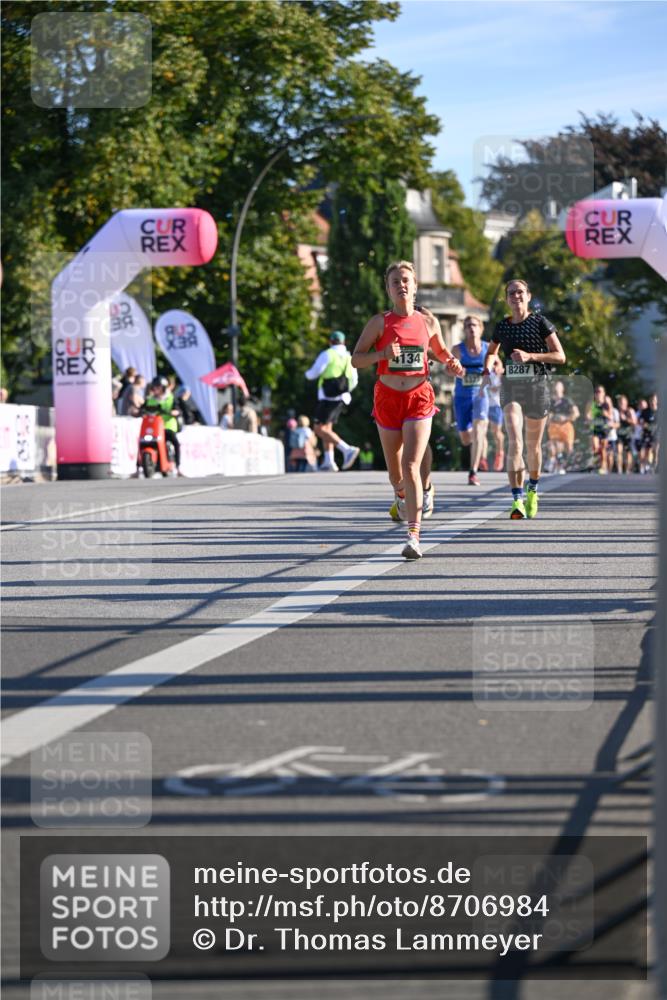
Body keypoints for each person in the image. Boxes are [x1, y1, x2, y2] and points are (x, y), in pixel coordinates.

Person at [351, 260, 464, 559]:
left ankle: (413, 534)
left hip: (418, 396)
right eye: (395, 282)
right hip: (387, 398)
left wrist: (452, 363)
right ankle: (402, 496)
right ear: (388, 290)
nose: (401, 285)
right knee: (395, 474)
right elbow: (356, 359)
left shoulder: (428, 322)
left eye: (406, 280)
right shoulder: (379, 322)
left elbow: (439, 351)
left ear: (415, 286)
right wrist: (382, 354)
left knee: (410, 466)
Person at [481, 279, 566, 519]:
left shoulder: (540, 322)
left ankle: (533, 489)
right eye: (511, 293)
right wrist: (488, 369)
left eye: (520, 292)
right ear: (507, 299)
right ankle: (516, 499)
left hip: (537, 387)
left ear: (528, 296)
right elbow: (491, 352)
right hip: (512, 388)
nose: (516, 296)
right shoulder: (502, 327)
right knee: (515, 441)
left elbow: (560, 356)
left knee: (532, 446)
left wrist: (530, 356)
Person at [305, 331, 360, 471]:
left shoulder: (328, 354)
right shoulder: (348, 357)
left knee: (319, 429)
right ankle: (329, 461)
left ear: (330, 341)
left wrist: (306, 374)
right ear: (344, 342)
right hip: (342, 398)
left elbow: (313, 373)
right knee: (328, 429)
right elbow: (354, 380)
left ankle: (347, 449)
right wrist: (343, 391)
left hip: (327, 397)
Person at [452, 316, 490, 485]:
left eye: (474, 325)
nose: (471, 328)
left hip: (481, 395)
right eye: (467, 326)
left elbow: (498, 366)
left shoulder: (488, 348)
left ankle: (473, 471)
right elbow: (447, 369)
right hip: (461, 397)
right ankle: (479, 447)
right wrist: (456, 371)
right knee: (466, 438)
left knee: (479, 429)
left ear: (481, 328)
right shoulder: (458, 350)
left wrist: (496, 369)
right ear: (464, 330)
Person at [143, 375, 182, 473]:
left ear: (163, 387)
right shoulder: (150, 399)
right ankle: (138, 467)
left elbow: (178, 410)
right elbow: (143, 409)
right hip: (153, 428)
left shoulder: (171, 398)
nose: (156, 389)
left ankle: (178, 466)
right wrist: (136, 412)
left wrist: (173, 412)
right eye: (155, 387)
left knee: (175, 443)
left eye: (158, 387)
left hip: (167, 426)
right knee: (141, 442)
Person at [546, 380, 579, 474]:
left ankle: (566, 465)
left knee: (569, 448)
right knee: (555, 446)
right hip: (554, 425)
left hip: (566, 425)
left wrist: (565, 418)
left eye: (559, 386)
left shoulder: (567, 400)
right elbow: (547, 415)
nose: (556, 387)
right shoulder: (550, 401)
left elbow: (576, 413)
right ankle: (556, 465)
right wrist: (550, 418)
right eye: (555, 386)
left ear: (562, 388)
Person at [586, 384, 612, 474]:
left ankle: (603, 467)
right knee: (595, 447)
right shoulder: (591, 403)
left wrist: (606, 414)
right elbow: (587, 415)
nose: (598, 393)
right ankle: (595, 465)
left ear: (604, 393)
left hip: (604, 429)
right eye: (596, 392)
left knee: (603, 449)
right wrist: (589, 417)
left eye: (600, 391)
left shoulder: (606, 403)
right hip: (595, 428)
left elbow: (610, 416)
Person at [615, 395, 637, 474]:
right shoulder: (616, 411)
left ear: (626, 403)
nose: (622, 404)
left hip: (628, 434)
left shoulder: (630, 410)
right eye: (620, 403)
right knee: (618, 451)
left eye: (623, 403)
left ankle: (627, 470)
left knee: (628, 453)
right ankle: (619, 469)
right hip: (619, 434)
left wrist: (626, 419)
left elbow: (635, 422)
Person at [639, 393, 659, 473]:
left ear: (657, 401)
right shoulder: (645, 411)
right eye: (651, 400)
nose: (653, 402)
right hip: (647, 434)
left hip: (657, 434)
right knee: (647, 451)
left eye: (654, 400)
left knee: (656, 450)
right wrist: (644, 424)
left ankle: (655, 466)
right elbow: (640, 421)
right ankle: (647, 466)